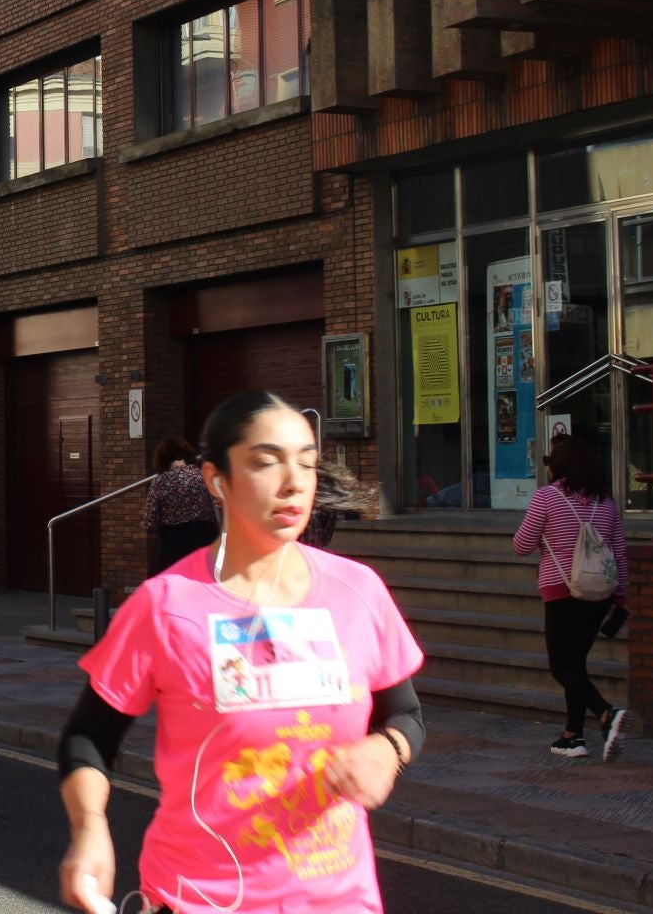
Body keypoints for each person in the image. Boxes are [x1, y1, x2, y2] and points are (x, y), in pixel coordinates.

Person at [57, 390, 426, 914]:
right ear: (216, 480)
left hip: (339, 899)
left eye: (308, 462)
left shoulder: (358, 591)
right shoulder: (165, 606)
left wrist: (387, 750)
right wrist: (90, 829)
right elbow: (88, 736)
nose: (294, 481)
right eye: (265, 462)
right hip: (201, 899)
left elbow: (406, 713)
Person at [513, 433, 630, 761]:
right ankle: (572, 736)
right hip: (600, 594)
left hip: (562, 591)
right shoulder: (606, 501)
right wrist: (621, 599)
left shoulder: (546, 498)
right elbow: (620, 553)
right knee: (575, 664)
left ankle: (606, 713)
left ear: (559, 466)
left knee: (561, 667)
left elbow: (521, 545)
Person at [142, 436, 218, 573]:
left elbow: (150, 523)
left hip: (173, 547)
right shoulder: (203, 477)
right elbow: (215, 510)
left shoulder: (160, 482)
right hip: (205, 543)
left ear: (163, 459)